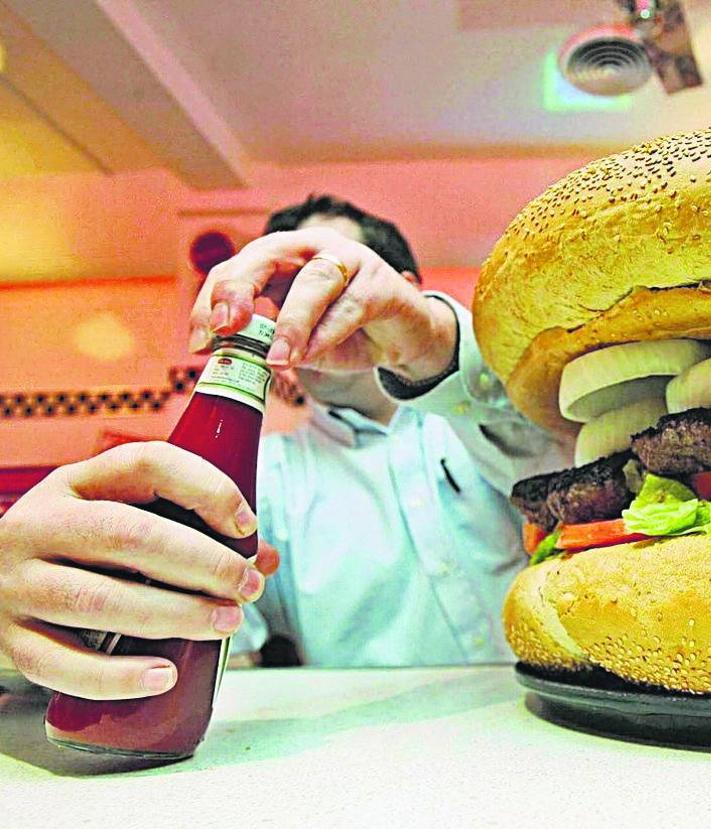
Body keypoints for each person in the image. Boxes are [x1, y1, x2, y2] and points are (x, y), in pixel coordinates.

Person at [0, 196, 567, 700]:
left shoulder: (492, 426)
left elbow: (573, 460)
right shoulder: (257, 477)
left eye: (334, 280)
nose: (307, 309)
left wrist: (432, 341)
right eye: (287, 294)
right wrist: (54, 614)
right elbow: (208, 655)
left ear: (403, 288)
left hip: (545, 711)